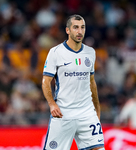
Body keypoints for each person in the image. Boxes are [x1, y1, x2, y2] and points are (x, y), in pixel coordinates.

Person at [42, 14, 105, 150]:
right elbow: (46, 81)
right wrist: (52, 104)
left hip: (87, 113)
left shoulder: (90, 52)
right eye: (75, 27)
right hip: (64, 113)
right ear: (67, 30)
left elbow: (91, 83)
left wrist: (97, 110)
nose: (79, 31)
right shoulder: (56, 52)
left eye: (82, 27)